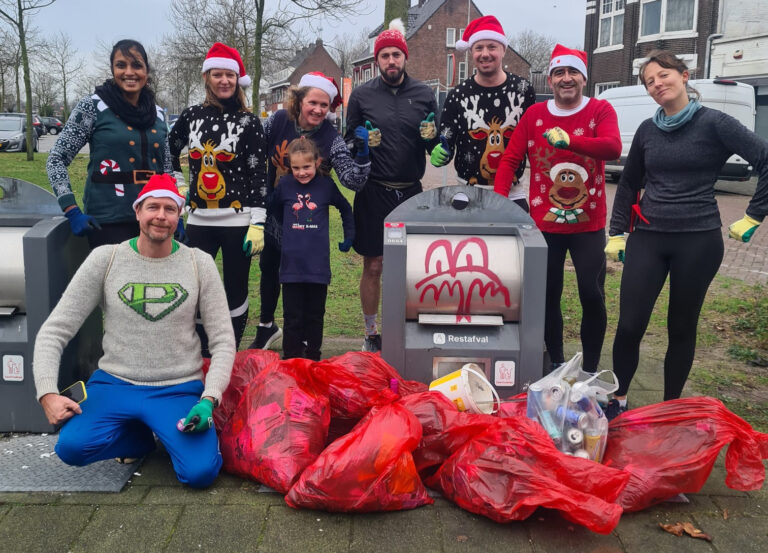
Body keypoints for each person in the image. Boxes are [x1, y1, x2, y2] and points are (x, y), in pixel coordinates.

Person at [33, 174, 235, 488]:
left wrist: (209, 399)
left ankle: (164, 432)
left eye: (170, 209)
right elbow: (55, 330)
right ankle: (139, 439)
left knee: (200, 473)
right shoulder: (106, 259)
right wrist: (47, 392)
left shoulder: (199, 263)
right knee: (71, 448)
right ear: (137, 211)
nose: (161, 216)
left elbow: (223, 340)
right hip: (115, 383)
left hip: (177, 387)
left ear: (179, 215)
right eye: (153, 207)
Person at [604, 50, 768, 419]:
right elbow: (629, 183)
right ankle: (618, 399)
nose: (657, 84)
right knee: (629, 325)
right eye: (650, 81)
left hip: (698, 241)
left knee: (681, 327)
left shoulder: (715, 123)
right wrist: (616, 233)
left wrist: (754, 215)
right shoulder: (647, 130)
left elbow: (765, 159)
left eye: (663, 75)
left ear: (684, 75)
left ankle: (670, 408)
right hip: (649, 238)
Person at [494, 44, 621, 375]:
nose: (566, 78)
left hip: (587, 225)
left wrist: (570, 140)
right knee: (548, 296)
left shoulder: (600, 110)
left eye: (573, 72)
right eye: (559, 73)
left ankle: (590, 368)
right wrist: (499, 201)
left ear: (584, 78)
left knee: (591, 295)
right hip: (545, 226)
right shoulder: (535, 116)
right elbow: (510, 159)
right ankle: (557, 361)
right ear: (550, 80)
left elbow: (612, 147)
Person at [249, 71, 370, 351]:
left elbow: (352, 181)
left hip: (307, 222)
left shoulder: (331, 137)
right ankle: (267, 326)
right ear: (299, 100)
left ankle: (306, 338)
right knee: (269, 267)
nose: (318, 110)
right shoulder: (278, 121)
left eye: (324, 105)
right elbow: (254, 152)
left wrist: (363, 155)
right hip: (276, 208)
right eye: (312, 103)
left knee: (304, 277)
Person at [345, 18, 440, 352]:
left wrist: (434, 140)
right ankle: (371, 333)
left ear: (405, 57)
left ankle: (404, 330)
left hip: (411, 192)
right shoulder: (361, 95)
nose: (390, 61)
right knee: (374, 265)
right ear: (377, 61)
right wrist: (361, 143)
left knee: (411, 267)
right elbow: (347, 141)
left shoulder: (424, 94)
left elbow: (434, 142)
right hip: (374, 190)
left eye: (395, 55)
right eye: (384, 56)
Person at [169, 43, 268, 352]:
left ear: (237, 79)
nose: (224, 80)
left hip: (238, 222)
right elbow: (167, 150)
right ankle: (200, 353)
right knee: (196, 288)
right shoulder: (191, 116)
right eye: (217, 74)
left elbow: (259, 174)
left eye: (229, 75)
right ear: (206, 77)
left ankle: (228, 352)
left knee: (235, 288)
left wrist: (258, 222)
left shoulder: (249, 122)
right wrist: (178, 184)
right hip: (199, 221)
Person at [47, 39, 173, 249]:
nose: (129, 72)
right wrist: (71, 209)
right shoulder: (93, 107)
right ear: (113, 69)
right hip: (109, 221)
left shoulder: (158, 114)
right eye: (121, 65)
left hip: (154, 220)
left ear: (146, 71)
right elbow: (56, 159)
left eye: (137, 65)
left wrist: (174, 209)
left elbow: (166, 169)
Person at [430, 15, 535, 194]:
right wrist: (441, 152)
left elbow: (533, 140)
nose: (485, 54)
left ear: (503, 50)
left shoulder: (523, 90)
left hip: (512, 192)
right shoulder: (457, 95)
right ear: (472, 52)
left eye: (492, 47)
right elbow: (447, 141)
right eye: (479, 48)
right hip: (468, 190)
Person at [271, 138, 354, 360]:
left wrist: (349, 235)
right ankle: (291, 359)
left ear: (317, 162)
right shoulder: (285, 185)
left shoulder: (326, 186)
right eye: (296, 168)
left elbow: (345, 208)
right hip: (291, 266)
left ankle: (313, 358)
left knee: (315, 315)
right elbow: (272, 210)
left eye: (306, 167)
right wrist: (277, 238)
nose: (301, 173)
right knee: (292, 317)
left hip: (317, 265)